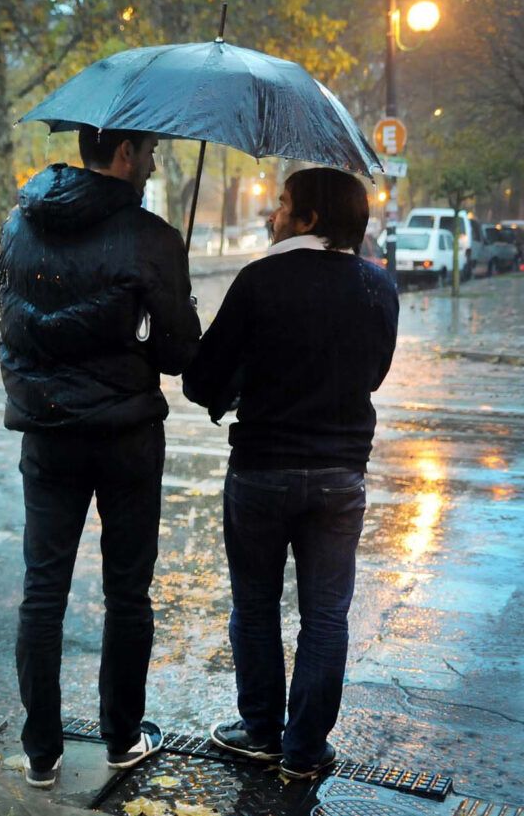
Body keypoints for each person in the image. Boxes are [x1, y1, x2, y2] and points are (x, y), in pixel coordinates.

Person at [0, 126, 200, 788]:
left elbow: (12, 329)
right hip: (127, 440)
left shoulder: (17, 228)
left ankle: (41, 753)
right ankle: (120, 738)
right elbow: (177, 354)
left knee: (43, 591)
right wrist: (172, 301)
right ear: (123, 154)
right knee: (127, 592)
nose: (153, 162)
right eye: (149, 151)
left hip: (47, 432)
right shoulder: (153, 237)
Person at [182, 167, 398, 782]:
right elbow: (374, 374)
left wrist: (224, 367)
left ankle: (260, 733)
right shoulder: (378, 287)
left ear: (308, 217)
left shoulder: (259, 280)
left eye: (282, 205)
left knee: (255, 607)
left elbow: (201, 381)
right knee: (326, 616)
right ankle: (305, 750)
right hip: (339, 475)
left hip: (261, 471)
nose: (273, 215)